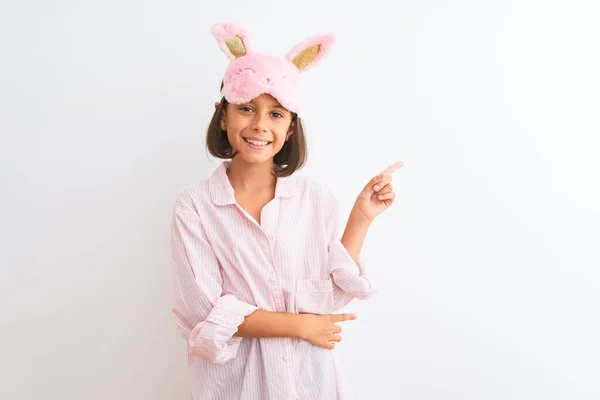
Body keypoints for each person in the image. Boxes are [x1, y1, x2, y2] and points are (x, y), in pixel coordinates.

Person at [170, 21, 404, 400]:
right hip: (234, 383)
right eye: (246, 109)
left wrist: (361, 217)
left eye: (276, 114)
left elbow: (324, 299)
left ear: (291, 128)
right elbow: (203, 311)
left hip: (308, 379)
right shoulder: (195, 206)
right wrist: (301, 327)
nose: (260, 125)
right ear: (224, 115)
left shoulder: (316, 199)